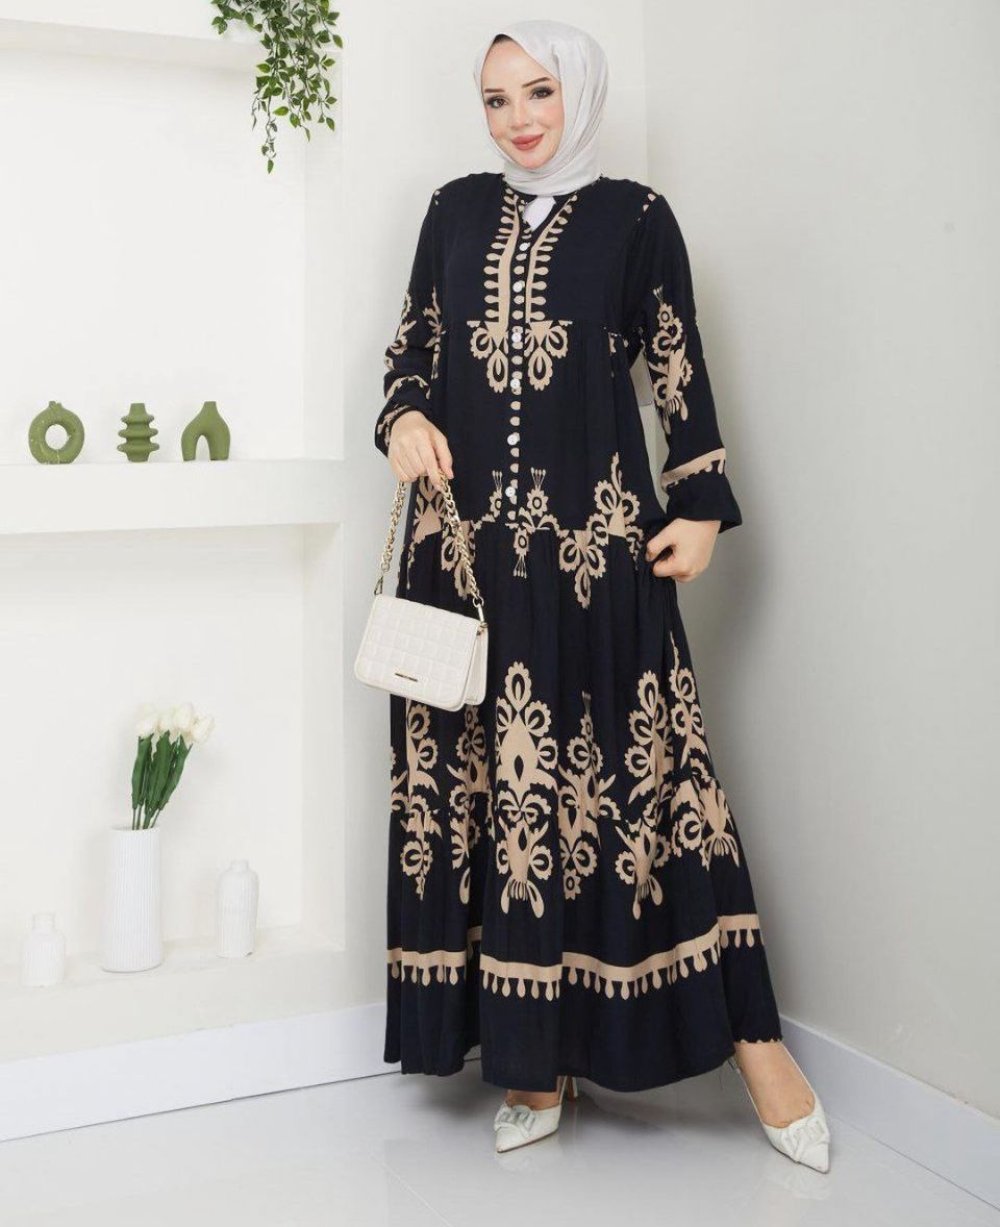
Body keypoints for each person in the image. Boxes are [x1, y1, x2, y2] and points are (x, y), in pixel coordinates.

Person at [372, 18, 831, 1170]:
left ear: (578, 91)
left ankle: (754, 1045)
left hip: (594, 551)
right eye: (495, 99)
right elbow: (411, 352)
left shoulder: (635, 218)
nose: (518, 119)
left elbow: (676, 365)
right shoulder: (451, 213)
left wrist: (699, 503)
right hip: (465, 560)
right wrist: (406, 417)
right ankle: (531, 1058)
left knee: (648, 784)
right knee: (496, 795)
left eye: (538, 92)